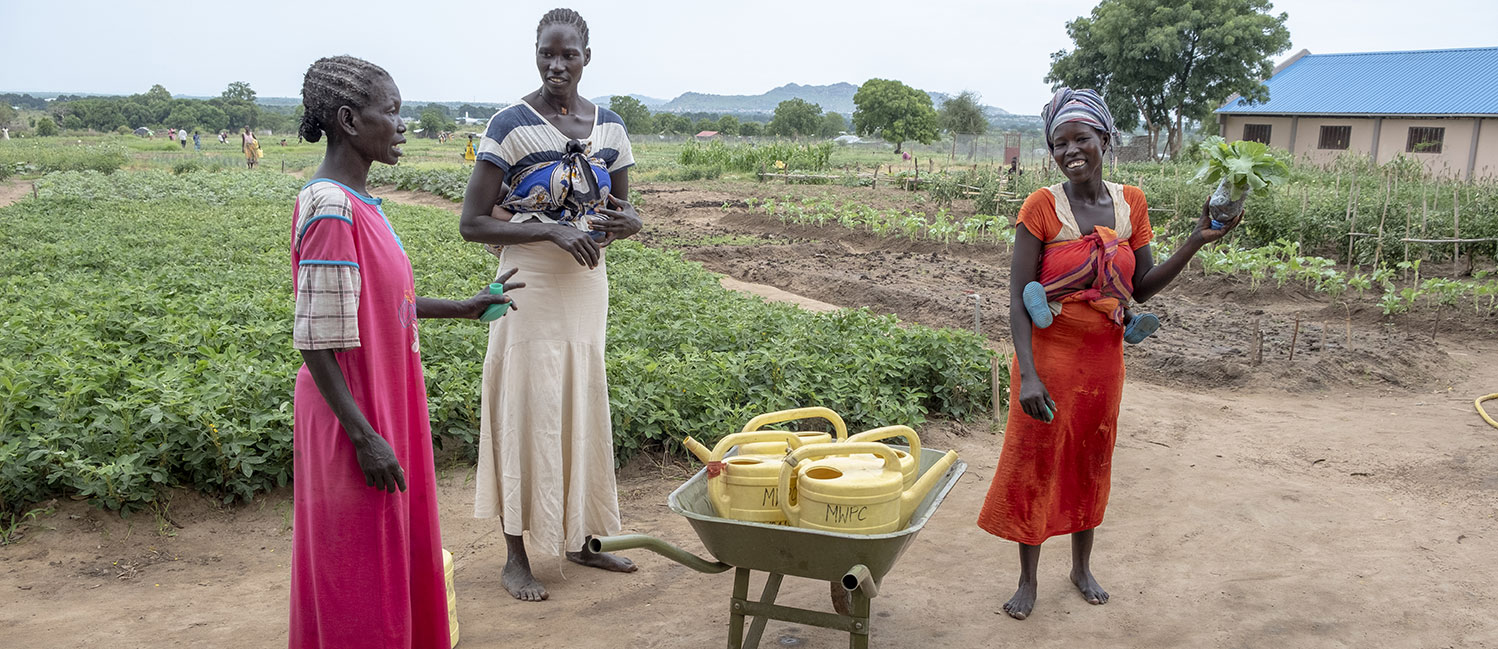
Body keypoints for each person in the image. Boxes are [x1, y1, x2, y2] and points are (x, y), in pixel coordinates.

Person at [977, 88, 1241, 620]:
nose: (1071, 151)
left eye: (1081, 139)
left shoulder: (1131, 203)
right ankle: (1028, 577)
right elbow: (1017, 299)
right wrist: (1027, 374)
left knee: (1090, 458)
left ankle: (1080, 567)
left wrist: (1194, 241)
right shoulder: (1042, 206)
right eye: (1059, 143)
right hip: (1048, 358)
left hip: (1103, 359)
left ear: (1105, 140)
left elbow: (1141, 288)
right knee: (1037, 460)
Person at [288, 55, 522, 649]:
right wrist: (363, 436)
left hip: (382, 402)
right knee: (360, 569)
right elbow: (317, 337)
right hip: (355, 414)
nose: (402, 124)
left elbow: (381, 306)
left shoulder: (361, 204)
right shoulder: (332, 209)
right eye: (390, 112)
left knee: (386, 556)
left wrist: (463, 307)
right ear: (347, 119)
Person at [458, 8, 644, 603]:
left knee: (578, 401)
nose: (556, 64)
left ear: (588, 55)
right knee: (526, 403)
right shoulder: (510, 125)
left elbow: (619, 214)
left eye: (569, 54)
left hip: (587, 284)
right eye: (547, 53)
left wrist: (630, 224)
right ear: (535, 52)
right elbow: (473, 223)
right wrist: (549, 232)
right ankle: (515, 556)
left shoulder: (610, 127)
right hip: (528, 284)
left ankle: (581, 539)